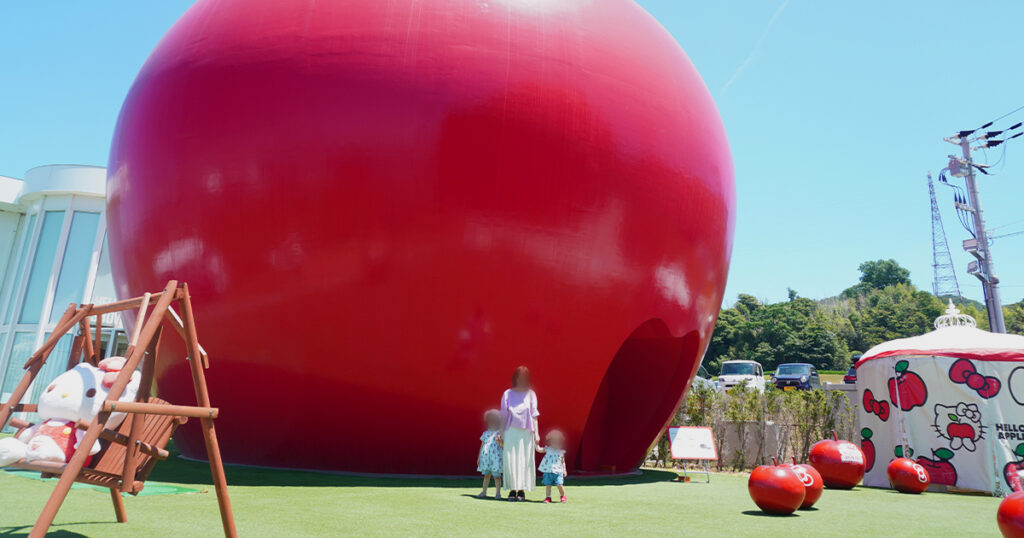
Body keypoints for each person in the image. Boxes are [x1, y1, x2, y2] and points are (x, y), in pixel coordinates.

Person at [500, 366, 539, 502]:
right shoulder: (507, 393)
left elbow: (534, 415)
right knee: (511, 460)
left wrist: (537, 434)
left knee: (524, 460)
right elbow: (503, 415)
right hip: (510, 431)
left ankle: (521, 490)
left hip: (526, 433)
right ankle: (512, 490)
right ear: (515, 378)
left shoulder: (531, 394)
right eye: (519, 376)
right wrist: (500, 433)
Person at [476, 409, 503, 499]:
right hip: (486, 458)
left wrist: (500, 442)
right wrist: (479, 457)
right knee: (486, 475)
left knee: (496, 476)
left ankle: (498, 493)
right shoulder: (485, 433)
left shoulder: (499, 433)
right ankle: (484, 491)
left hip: (496, 458)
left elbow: (502, 445)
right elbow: (482, 445)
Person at [536, 429, 568, 503]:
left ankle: (563, 496)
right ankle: (548, 497)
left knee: (559, 484)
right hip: (548, 471)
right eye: (553, 441)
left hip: (558, 471)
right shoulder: (547, 449)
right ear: (550, 442)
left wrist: (564, 470)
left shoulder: (560, 452)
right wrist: (536, 444)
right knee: (548, 485)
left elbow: (563, 462)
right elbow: (539, 450)